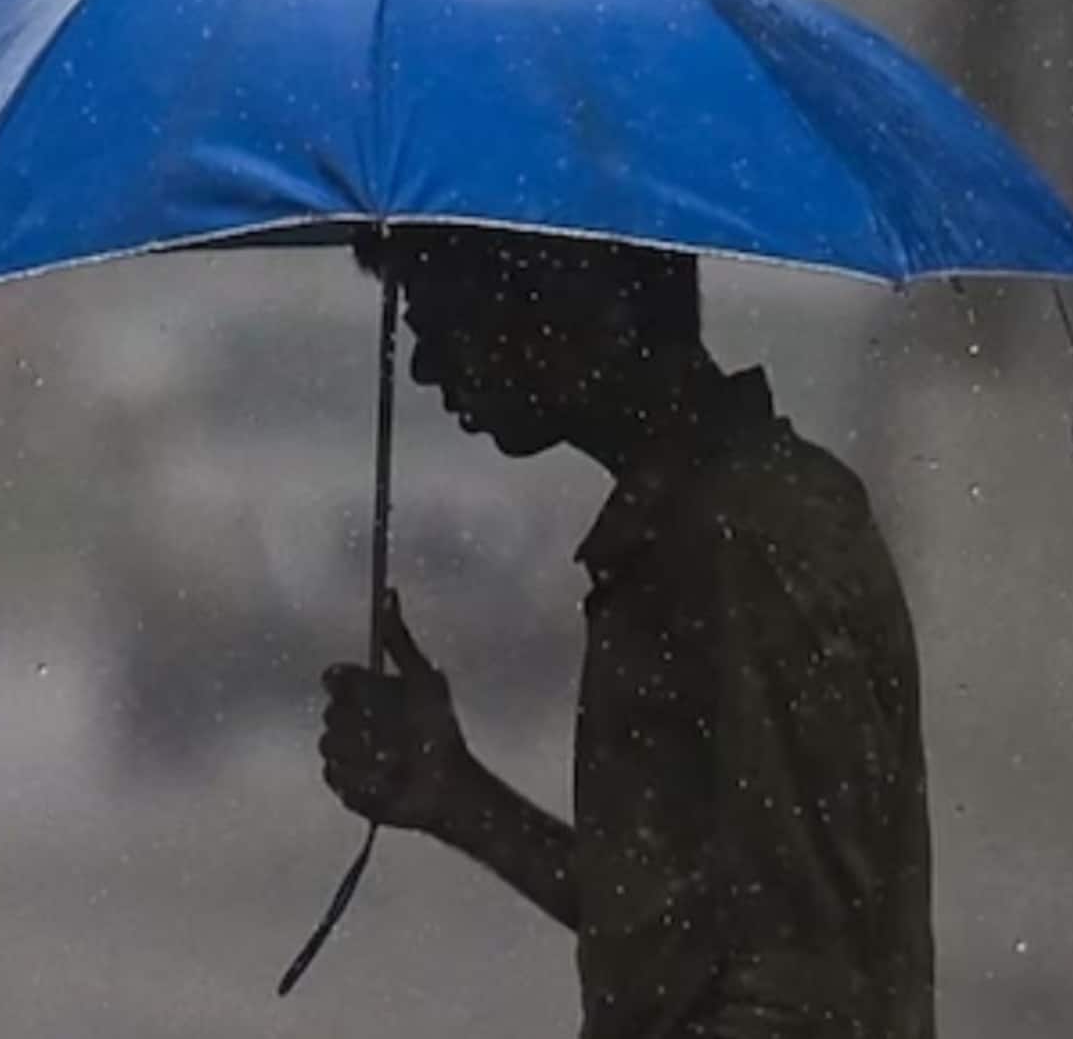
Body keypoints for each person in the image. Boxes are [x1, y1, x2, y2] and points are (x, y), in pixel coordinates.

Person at [320, 225, 933, 1038]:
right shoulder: (690, 530)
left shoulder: (750, 540)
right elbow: (682, 928)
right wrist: (457, 795)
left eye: (444, 320)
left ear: (571, 298)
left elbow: (798, 986)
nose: (427, 368)